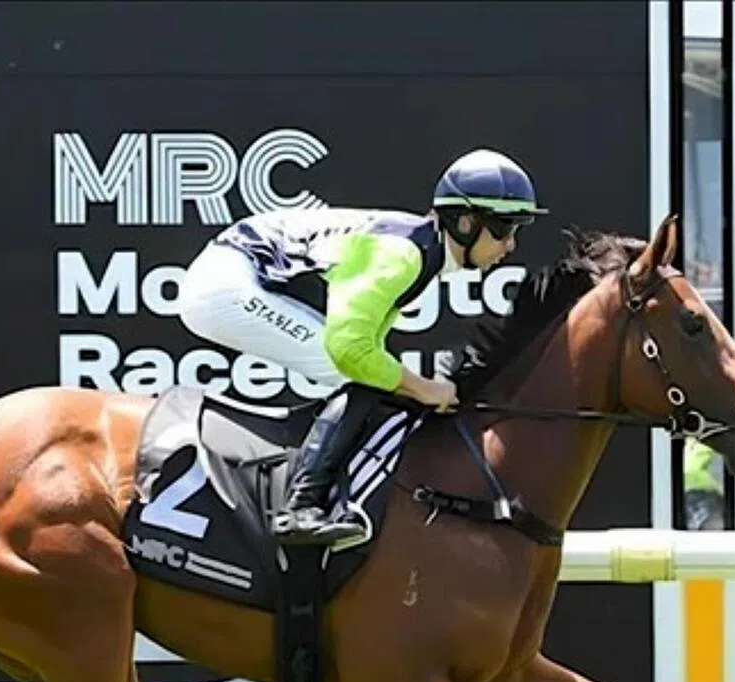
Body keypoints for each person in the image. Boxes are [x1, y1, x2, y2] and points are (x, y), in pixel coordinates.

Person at [177, 149, 548, 546]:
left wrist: (410, 385)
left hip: (238, 271)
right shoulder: (402, 256)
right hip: (224, 286)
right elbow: (350, 350)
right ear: (466, 222)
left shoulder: (422, 252)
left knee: (370, 373)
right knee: (354, 367)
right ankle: (299, 509)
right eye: (504, 229)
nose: (510, 245)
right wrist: (424, 387)